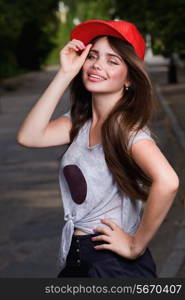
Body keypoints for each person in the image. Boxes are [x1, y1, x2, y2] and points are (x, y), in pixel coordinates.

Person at [16, 19, 179, 278]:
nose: (97, 65)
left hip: (110, 264)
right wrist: (65, 73)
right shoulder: (79, 123)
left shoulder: (127, 131)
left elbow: (168, 181)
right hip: (78, 258)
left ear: (130, 79)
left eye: (113, 61)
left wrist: (136, 244)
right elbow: (29, 136)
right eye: (92, 56)